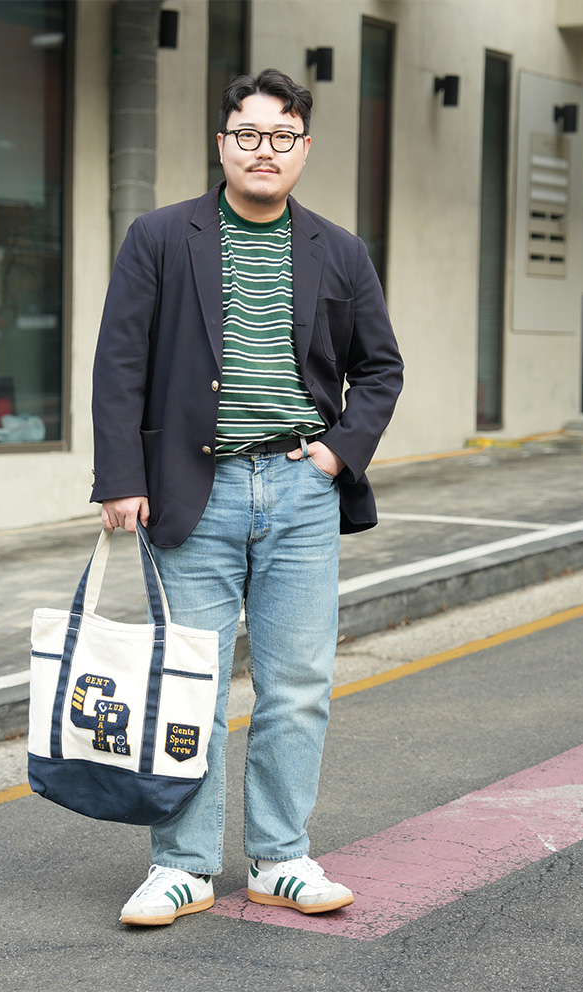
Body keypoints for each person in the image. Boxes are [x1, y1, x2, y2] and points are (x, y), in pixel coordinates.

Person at [91, 68, 404, 927]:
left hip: (302, 492)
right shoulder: (161, 237)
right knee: (190, 684)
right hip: (193, 490)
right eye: (248, 134)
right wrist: (121, 477)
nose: (265, 150)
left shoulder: (340, 250)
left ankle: (280, 858)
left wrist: (335, 455)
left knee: (297, 685)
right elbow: (120, 360)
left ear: (304, 148)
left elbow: (380, 367)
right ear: (222, 142)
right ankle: (182, 865)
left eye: (282, 136)